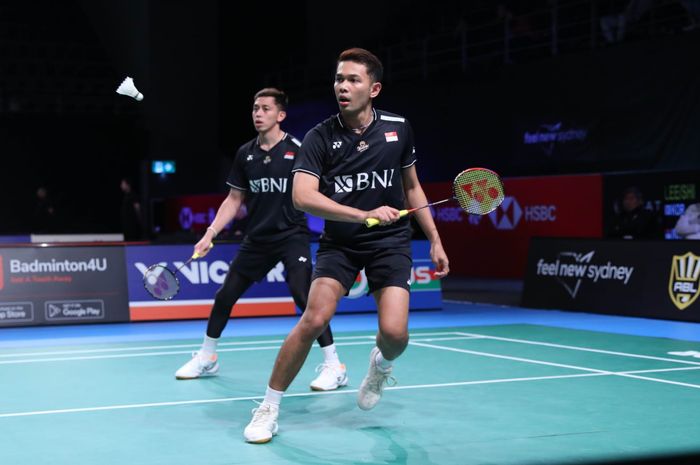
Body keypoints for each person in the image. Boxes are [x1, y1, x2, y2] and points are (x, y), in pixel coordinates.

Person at [244, 48, 450, 444]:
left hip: (390, 242)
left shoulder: (398, 128)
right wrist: (362, 214)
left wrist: (436, 239)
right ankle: (269, 406)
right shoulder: (320, 137)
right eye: (339, 78)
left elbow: (412, 187)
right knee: (314, 319)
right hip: (341, 243)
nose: (342, 86)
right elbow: (302, 196)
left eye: (353, 80)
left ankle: (380, 366)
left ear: (373, 88)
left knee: (396, 334)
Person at [175, 88, 348, 393]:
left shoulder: (298, 149)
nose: (258, 113)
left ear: (280, 115)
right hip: (257, 238)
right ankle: (207, 356)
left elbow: (318, 190)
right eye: (255, 108)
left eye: (266, 109)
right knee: (224, 295)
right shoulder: (245, 154)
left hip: (291, 235)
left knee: (304, 296)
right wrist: (210, 233)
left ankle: (335, 366)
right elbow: (233, 199)